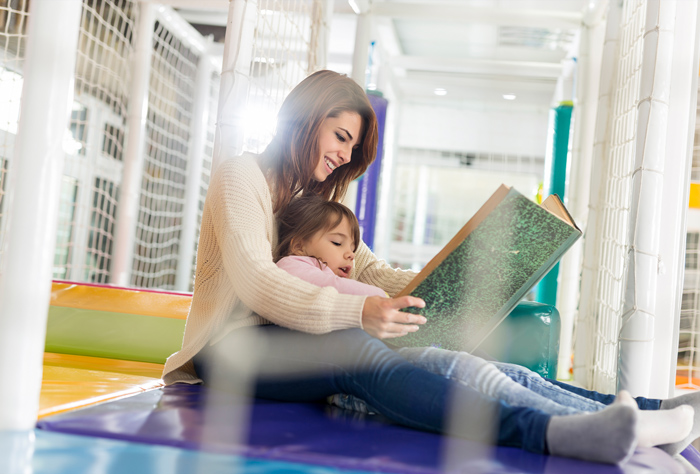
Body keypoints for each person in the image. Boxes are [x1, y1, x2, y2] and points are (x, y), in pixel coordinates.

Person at [163, 69, 699, 464]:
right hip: (229, 349)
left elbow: (372, 273)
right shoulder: (242, 177)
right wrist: (360, 314)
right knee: (357, 349)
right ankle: (548, 432)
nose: (344, 158)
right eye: (341, 138)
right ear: (305, 120)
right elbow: (259, 282)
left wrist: (463, 275)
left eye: (352, 149)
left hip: (288, 340)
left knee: (443, 355)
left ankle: (644, 410)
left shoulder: (309, 200)